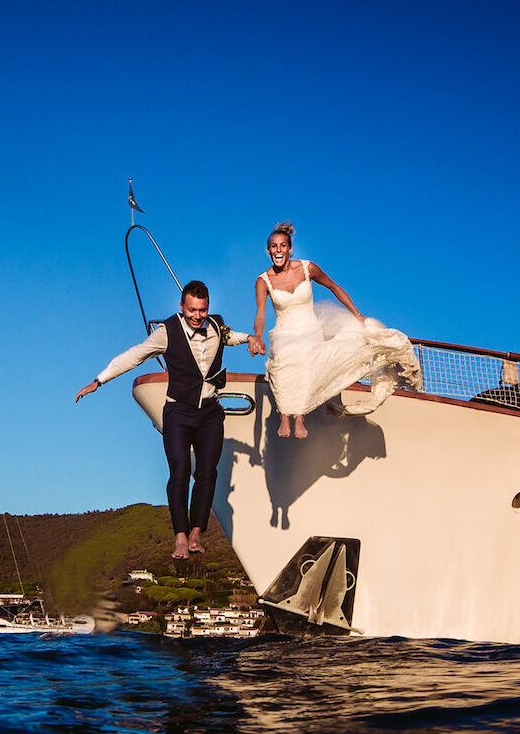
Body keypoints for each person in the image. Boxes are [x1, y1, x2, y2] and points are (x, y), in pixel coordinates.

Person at [76, 281, 263, 559]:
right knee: (180, 471)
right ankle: (180, 538)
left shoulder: (215, 325)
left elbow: (230, 336)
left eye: (202, 310)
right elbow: (134, 356)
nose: (197, 317)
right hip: (179, 413)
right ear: (181, 306)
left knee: (207, 473)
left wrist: (250, 338)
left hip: (210, 413)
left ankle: (196, 535)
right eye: (191, 311)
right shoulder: (167, 332)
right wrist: (99, 380)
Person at [253, 222, 421, 438]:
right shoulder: (263, 281)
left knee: (306, 358)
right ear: (268, 251)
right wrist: (257, 336)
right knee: (285, 355)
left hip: (309, 327)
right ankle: (285, 415)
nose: (278, 250)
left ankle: (300, 418)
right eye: (274, 247)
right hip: (285, 330)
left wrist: (357, 315)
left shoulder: (307, 268)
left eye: (282, 246)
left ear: (290, 249)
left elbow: (334, 287)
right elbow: (260, 314)